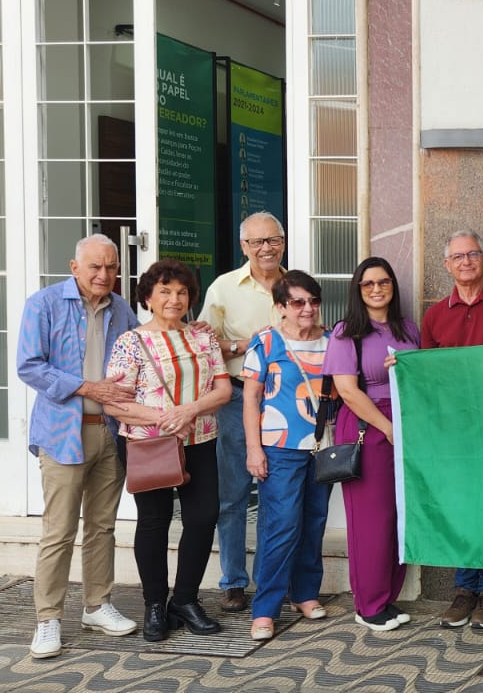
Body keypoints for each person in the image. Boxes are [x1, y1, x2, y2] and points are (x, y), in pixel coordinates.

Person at [15, 235, 140, 659]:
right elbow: (29, 366)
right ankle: (47, 618)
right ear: (74, 266)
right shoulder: (43, 304)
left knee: (102, 525)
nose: (104, 275)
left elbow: (144, 354)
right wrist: (88, 387)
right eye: (95, 267)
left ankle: (97, 605)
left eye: (111, 267)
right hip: (62, 431)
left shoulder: (122, 310)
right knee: (59, 529)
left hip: (108, 430)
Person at [106, 259, 231, 642]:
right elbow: (113, 403)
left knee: (203, 516)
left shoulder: (204, 337)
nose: (174, 299)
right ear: (147, 297)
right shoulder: (131, 341)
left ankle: (186, 599)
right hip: (149, 444)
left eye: (181, 291)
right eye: (164, 291)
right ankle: (155, 605)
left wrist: (189, 410)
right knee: (154, 522)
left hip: (201, 438)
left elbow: (223, 390)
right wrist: (164, 417)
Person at [420, 230, 483, 632]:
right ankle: (464, 588)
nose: (465, 261)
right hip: (456, 429)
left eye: (473, 254)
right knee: (463, 505)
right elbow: (427, 373)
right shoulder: (434, 314)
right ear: (446, 265)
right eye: (457, 256)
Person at [325, 257, 422, 633]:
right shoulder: (346, 332)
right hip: (369, 424)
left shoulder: (408, 328)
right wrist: (387, 428)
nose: (377, 289)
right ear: (358, 290)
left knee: (399, 514)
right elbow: (347, 391)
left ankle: (387, 597)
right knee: (372, 518)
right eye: (368, 284)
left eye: (384, 282)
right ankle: (368, 605)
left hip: (407, 422)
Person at [199, 212, 287, 612]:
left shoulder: (294, 285)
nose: (266, 247)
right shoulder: (224, 289)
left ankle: (272, 578)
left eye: (273, 239)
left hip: (286, 402)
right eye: (257, 242)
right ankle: (233, 580)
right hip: (236, 399)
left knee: (278, 495)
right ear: (244, 247)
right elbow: (203, 346)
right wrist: (243, 346)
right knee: (233, 494)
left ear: (283, 242)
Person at [243, 271, 333, 641]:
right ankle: (265, 608)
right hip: (278, 447)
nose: (307, 308)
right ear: (280, 307)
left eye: (312, 301)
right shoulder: (266, 342)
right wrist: (253, 448)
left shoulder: (334, 341)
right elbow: (250, 398)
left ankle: (305, 593)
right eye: (297, 302)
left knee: (313, 521)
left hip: (321, 445)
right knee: (281, 526)